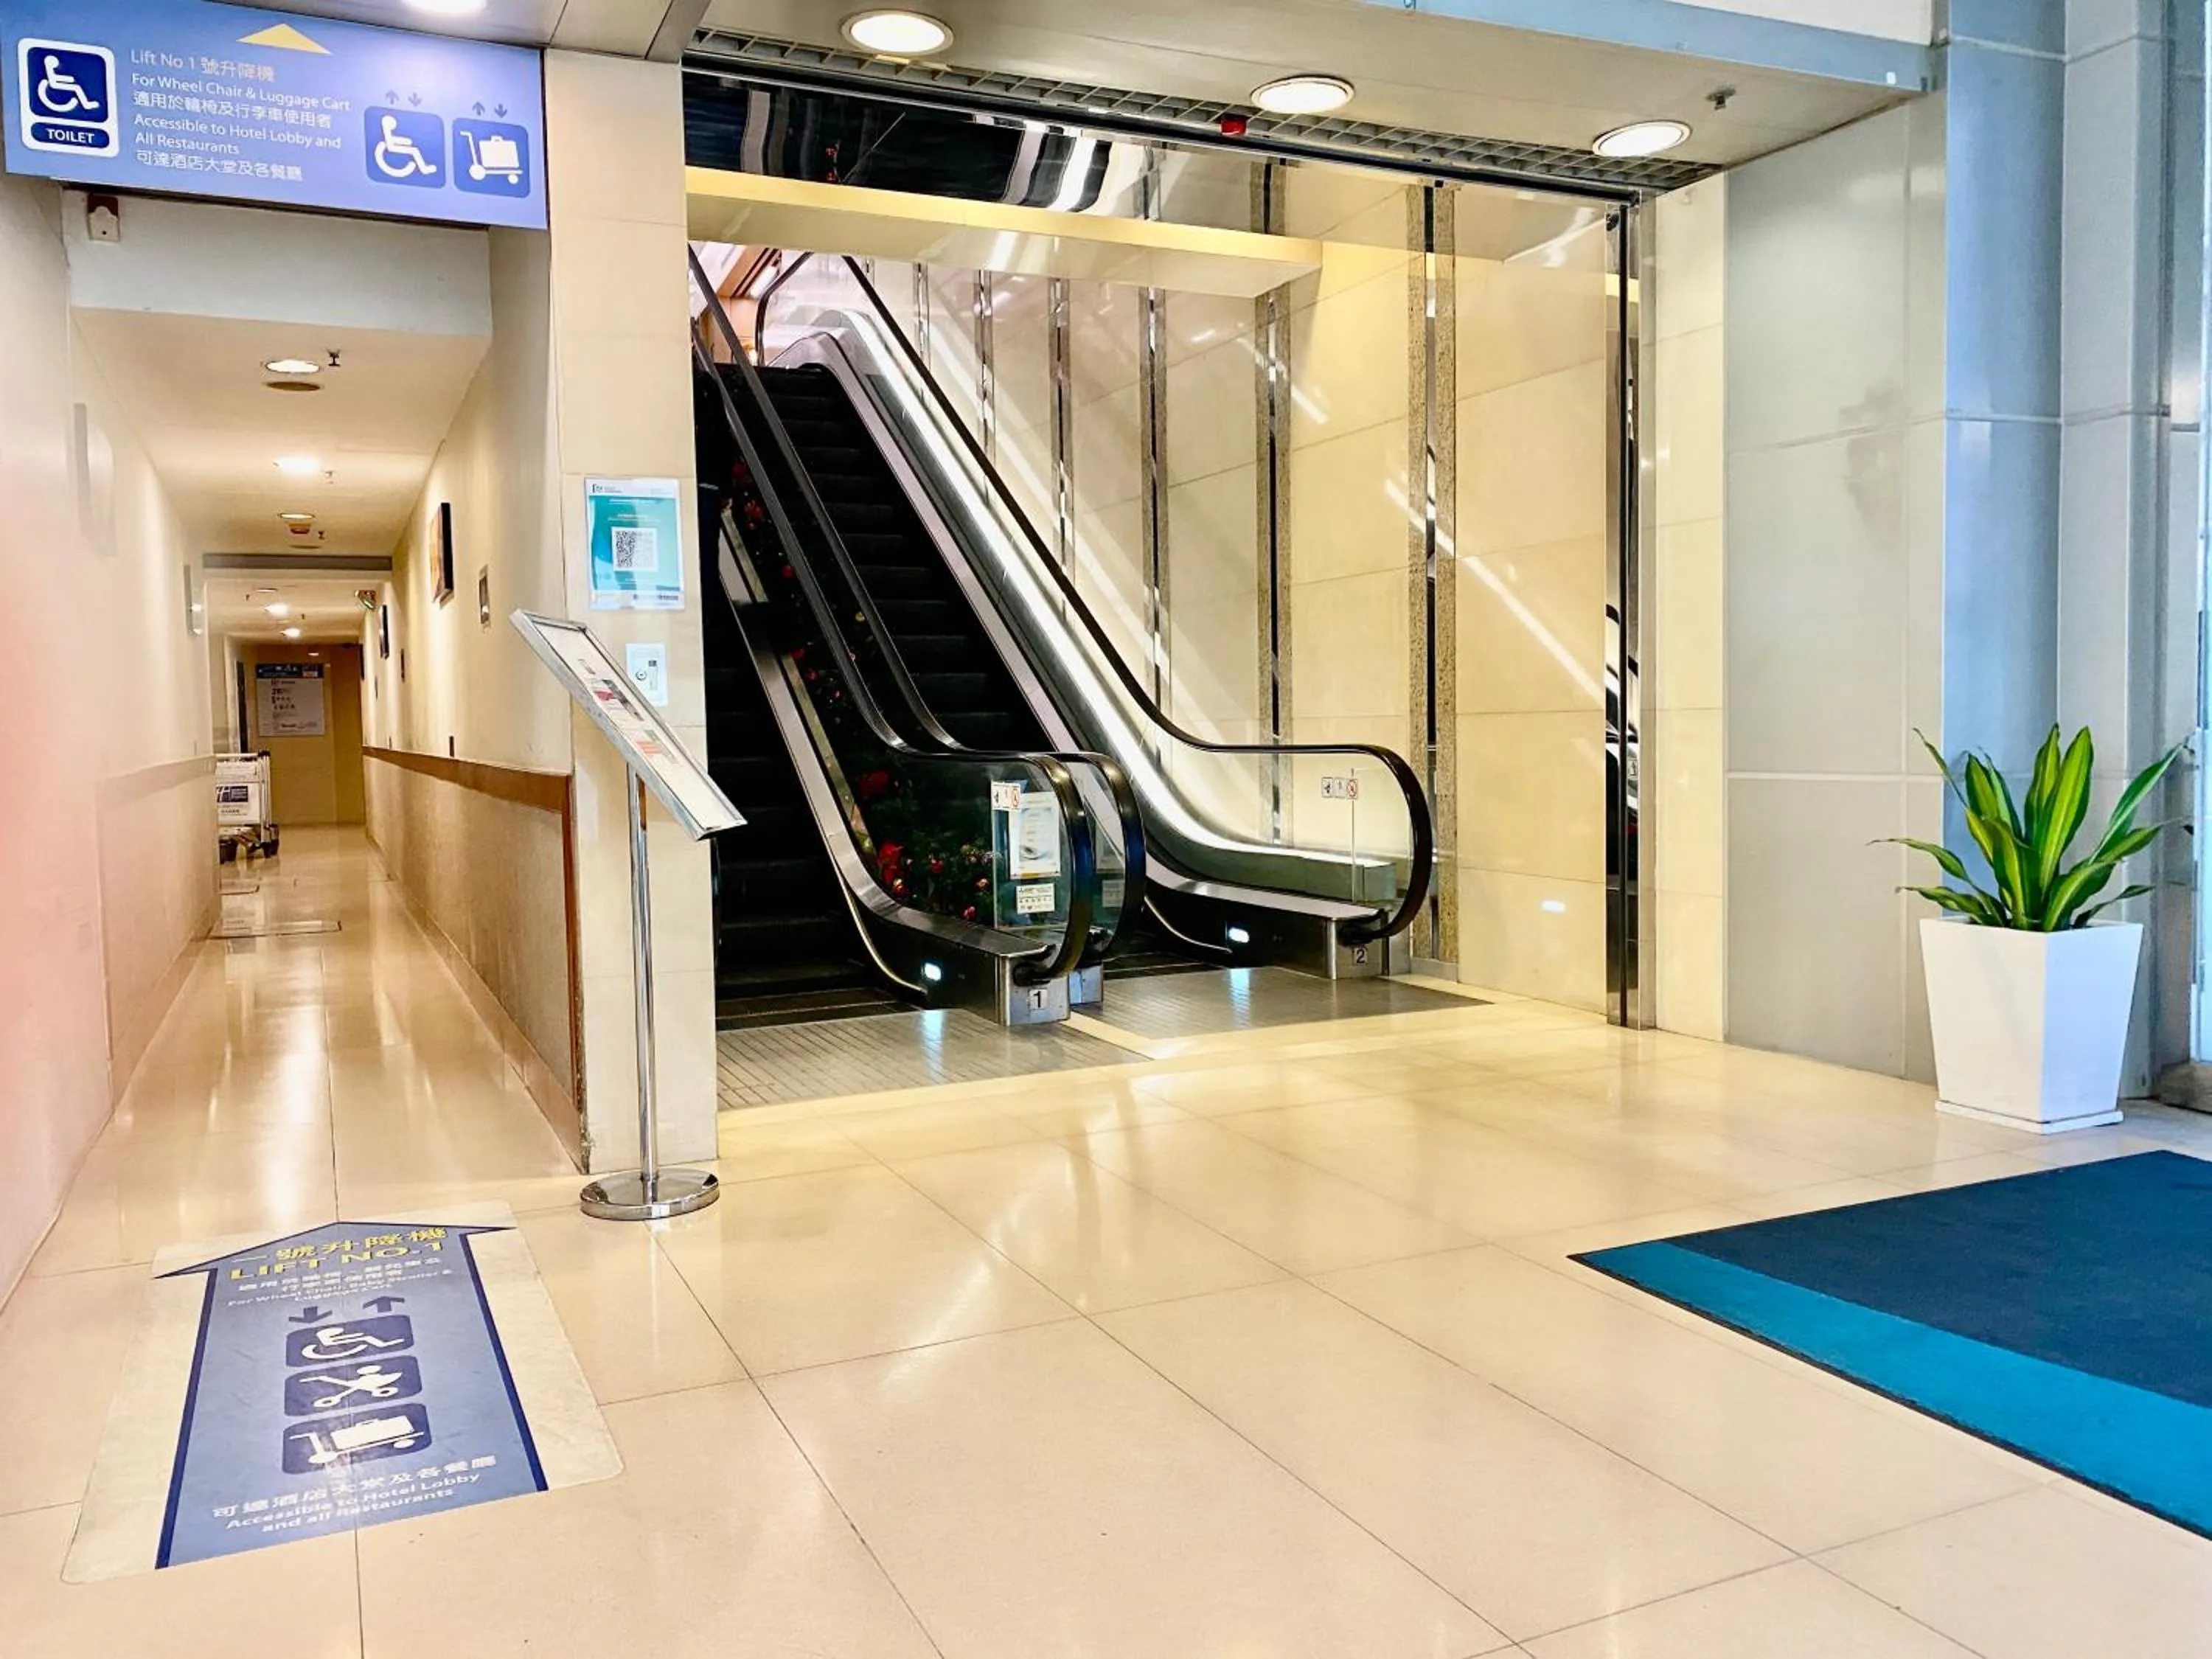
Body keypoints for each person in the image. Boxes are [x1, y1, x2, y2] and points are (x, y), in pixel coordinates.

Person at [372, 114, 437, 179]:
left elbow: (393, 140)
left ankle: (424, 168)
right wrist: (406, 141)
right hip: (392, 148)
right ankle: (424, 169)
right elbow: (390, 141)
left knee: (414, 150)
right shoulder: (387, 132)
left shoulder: (387, 131)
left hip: (392, 147)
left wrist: (406, 141)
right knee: (414, 151)